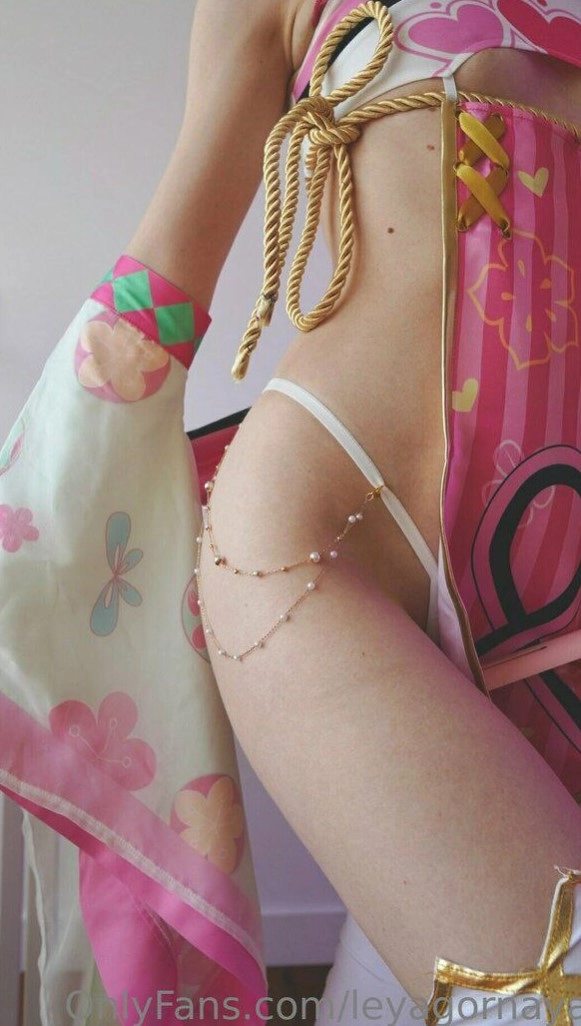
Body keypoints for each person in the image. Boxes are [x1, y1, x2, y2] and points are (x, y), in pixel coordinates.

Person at [1, 1, 581, 1023]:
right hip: (328, 537)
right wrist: (49, 488)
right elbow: (171, 258)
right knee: (545, 985)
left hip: (557, 568)